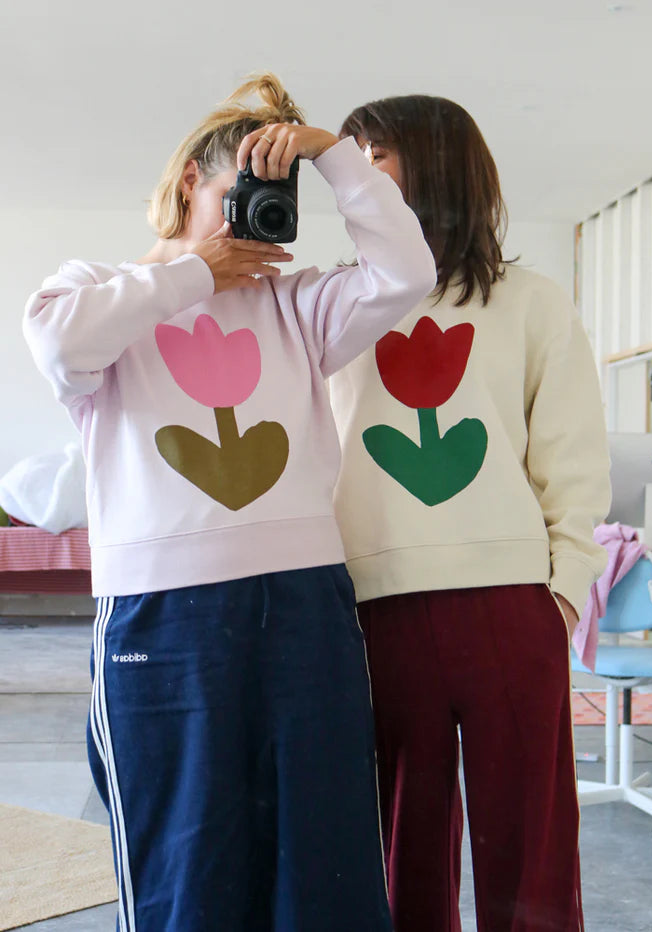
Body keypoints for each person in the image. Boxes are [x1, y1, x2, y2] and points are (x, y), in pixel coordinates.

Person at [23, 74, 436, 932]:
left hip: (304, 604)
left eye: (276, 200)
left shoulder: (297, 304)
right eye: (240, 194)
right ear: (188, 187)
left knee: (327, 862)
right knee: (184, 862)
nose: (259, 219)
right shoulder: (95, 290)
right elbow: (62, 347)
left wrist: (331, 156)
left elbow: (406, 272)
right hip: (159, 615)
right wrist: (193, 274)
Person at [328, 94, 612, 932]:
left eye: (376, 153)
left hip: (510, 603)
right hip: (374, 608)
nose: (359, 171)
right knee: (400, 848)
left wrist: (562, 592)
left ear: (434, 163)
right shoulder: (340, 302)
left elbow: (572, 461)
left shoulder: (532, 302)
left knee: (532, 848)